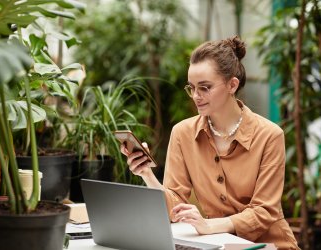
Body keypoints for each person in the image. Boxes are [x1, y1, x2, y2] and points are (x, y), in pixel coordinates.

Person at [121, 36, 299, 249]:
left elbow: (263, 212)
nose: (196, 96)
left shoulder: (270, 136)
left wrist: (209, 225)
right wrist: (147, 176)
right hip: (217, 244)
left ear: (232, 85)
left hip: (269, 245)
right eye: (191, 88)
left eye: (205, 88)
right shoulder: (182, 133)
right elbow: (176, 205)